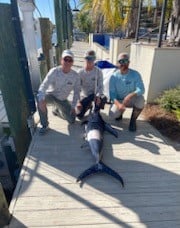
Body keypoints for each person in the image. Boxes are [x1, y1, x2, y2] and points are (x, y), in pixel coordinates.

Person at [37, 49, 80, 135]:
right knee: (39, 99)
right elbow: (43, 86)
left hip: (62, 99)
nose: (67, 62)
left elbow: (76, 93)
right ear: (61, 60)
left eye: (70, 60)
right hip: (51, 96)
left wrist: (73, 106)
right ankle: (44, 125)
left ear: (72, 62)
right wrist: (41, 99)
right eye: (65, 59)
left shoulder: (76, 76)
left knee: (72, 120)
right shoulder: (54, 71)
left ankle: (57, 110)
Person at [109, 52, 145, 132]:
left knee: (141, 100)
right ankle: (119, 114)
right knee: (113, 114)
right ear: (118, 63)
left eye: (126, 61)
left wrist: (130, 95)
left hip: (131, 99)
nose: (123, 64)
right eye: (121, 61)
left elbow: (141, 89)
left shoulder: (135, 74)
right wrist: (118, 105)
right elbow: (112, 94)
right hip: (120, 100)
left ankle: (133, 120)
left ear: (129, 63)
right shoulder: (114, 76)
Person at [76, 50, 104, 119]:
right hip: (85, 96)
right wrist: (78, 101)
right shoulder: (80, 72)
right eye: (88, 58)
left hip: (96, 95)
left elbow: (100, 86)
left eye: (92, 59)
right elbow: (77, 89)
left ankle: (96, 109)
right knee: (79, 115)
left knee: (103, 99)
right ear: (84, 59)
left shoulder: (98, 71)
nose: (90, 61)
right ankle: (89, 106)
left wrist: (98, 96)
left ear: (94, 60)